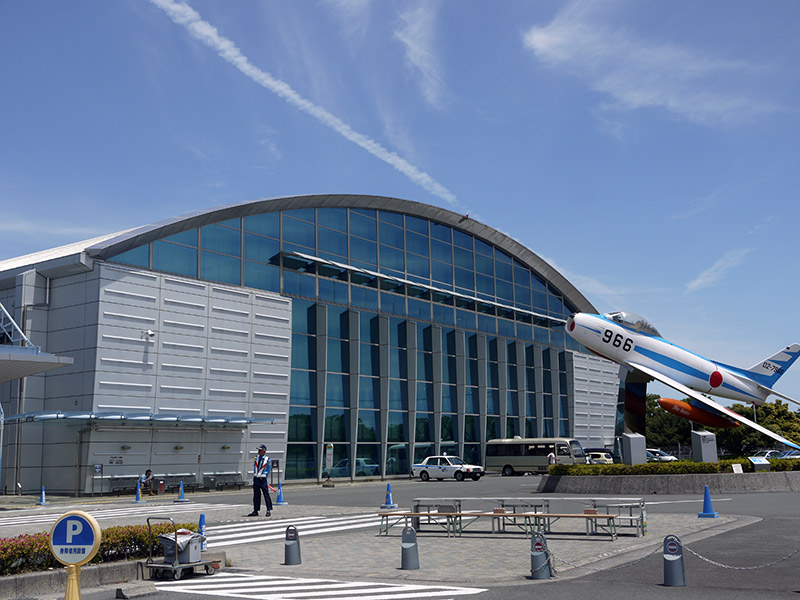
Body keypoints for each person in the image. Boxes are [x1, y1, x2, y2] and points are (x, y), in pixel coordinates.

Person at [248, 444, 272, 517]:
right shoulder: (256, 458)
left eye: (260, 450)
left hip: (262, 479)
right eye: (258, 450)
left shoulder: (267, 459)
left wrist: (264, 475)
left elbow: (269, 469)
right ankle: (256, 510)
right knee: (256, 495)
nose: (259, 451)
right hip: (256, 478)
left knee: (266, 495)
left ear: (264, 451)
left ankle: (268, 510)